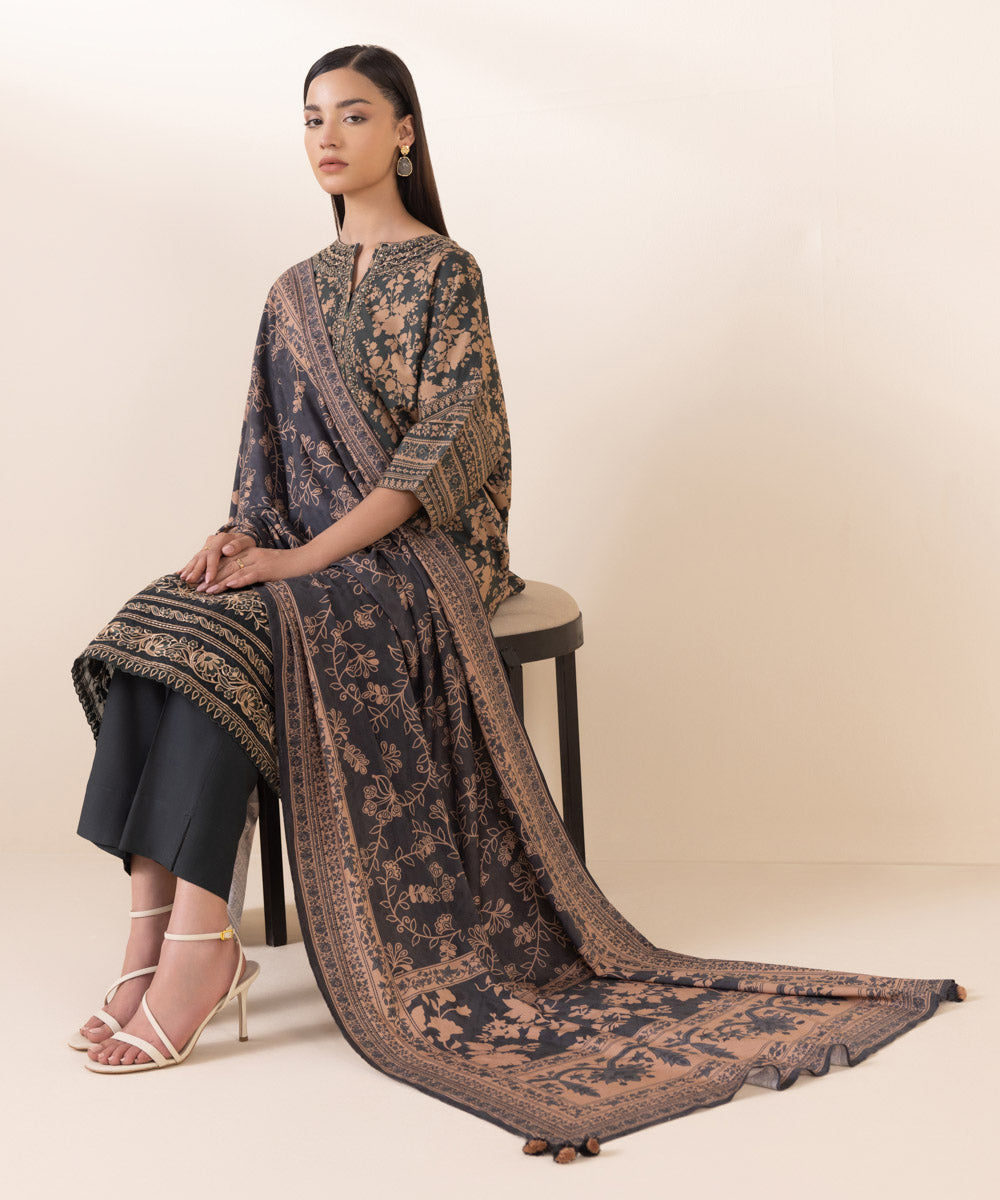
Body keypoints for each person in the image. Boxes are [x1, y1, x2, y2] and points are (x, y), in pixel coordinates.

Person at [71, 44, 965, 1162]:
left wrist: (300, 567)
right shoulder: (289, 292)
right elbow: (263, 462)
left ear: (405, 132)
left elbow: (441, 456)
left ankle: (201, 947)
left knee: (250, 626)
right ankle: (150, 942)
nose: (327, 138)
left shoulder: (447, 273)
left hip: (419, 557)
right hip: (303, 552)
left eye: (354, 115)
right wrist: (241, 539)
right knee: (167, 620)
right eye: (311, 119)